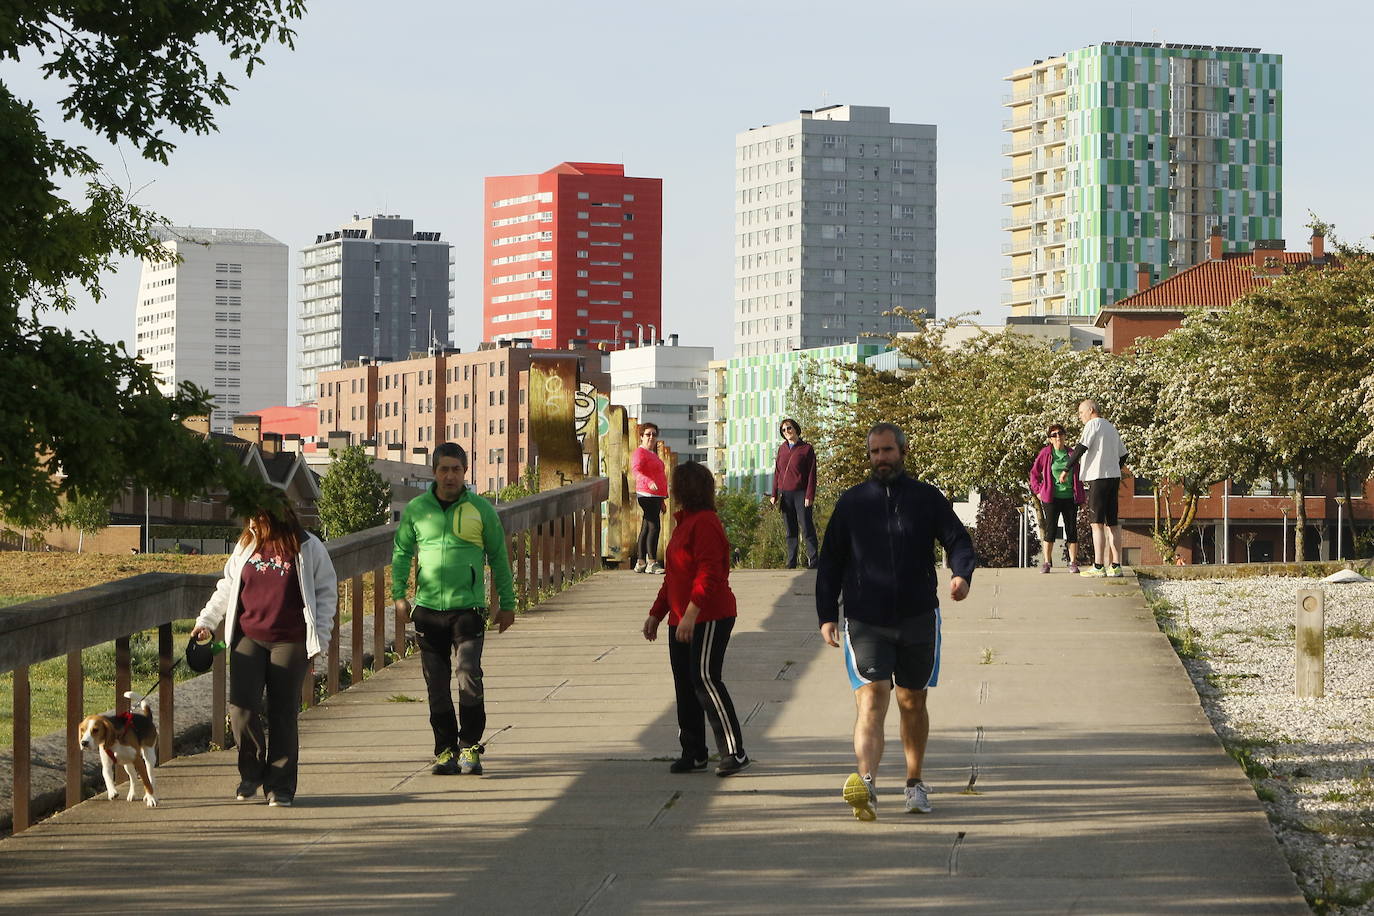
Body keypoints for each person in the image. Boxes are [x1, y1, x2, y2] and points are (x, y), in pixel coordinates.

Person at [816, 423, 975, 820]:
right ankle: (866, 784)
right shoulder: (852, 503)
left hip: (917, 615)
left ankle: (914, 782)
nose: (881, 459)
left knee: (912, 699)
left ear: (903, 452)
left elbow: (957, 539)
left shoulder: (926, 498)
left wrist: (961, 574)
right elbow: (830, 561)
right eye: (875, 453)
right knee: (871, 697)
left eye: (888, 451)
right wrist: (825, 614)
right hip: (865, 618)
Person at [192, 504, 336, 808]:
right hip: (248, 638)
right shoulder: (247, 544)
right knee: (241, 708)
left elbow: (325, 592)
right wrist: (206, 622)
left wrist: (320, 639)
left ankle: (280, 786)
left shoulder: (307, 546)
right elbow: (228, 587)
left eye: (258, 516)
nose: (252, 522)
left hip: (291, 641)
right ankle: (252, 772)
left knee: (283, 714)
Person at [392, 442, 517, 776]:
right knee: (436, 684)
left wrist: (508, 604)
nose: (450, 476)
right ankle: (445, 750)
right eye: (444, 469)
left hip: (468, 610)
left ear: (465, 473)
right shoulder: (418, 509)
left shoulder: (481, 509)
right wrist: (399, 595)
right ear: (434, 472)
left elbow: (499, 557)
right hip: (428, 609)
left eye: (456, 470)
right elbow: (402, 552)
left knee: (468, 675)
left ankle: (470, 747)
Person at [641, 461, 750, 777]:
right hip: (681, 619)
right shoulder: (683, 524)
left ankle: (734, 751)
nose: (672, 491)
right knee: (685, 684)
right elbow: (673, 576)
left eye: (675, 485)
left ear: (685, 489)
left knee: (705, 679)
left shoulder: (705, 523)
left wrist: (691, 614)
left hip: (709, 616)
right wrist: (656, 615)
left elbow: (710, 573)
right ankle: (694, 751)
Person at [1061, 399, 1127, 578]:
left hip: (1098, 478)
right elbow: (1124, 454)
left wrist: (1066, 469)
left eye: (1081, 413)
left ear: (1091, 410)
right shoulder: (1111, 428)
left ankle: (1098, 566)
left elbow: (1081, 448)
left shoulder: (1093, 425)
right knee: (1112, 523)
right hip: (1113, 478)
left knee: (1096, 524)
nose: (1080, 417)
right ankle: (1116, 565)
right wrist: (1113, 466)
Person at [1029, 423, 1085, 574]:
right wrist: (1038, 491)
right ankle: (1047, 562)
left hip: (1069, 497)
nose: (1058, 437)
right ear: (1050, 439)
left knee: (1071, 529)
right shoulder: (1046, 453)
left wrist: (1081, 492)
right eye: (1054, 435)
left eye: (1060, 433)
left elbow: (1081, 473)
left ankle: (1073, 562)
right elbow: (1034, 473)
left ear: (1065, 436)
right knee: (1051, 530)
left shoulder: (1072, 453)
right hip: (1051, 498)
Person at [770, 418, 819, 569]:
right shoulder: (782, 449)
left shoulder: (806, 449)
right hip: (786, 494)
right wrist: (774, 494)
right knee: (790, 529)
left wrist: (809, 495)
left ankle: (814, 560)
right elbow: (777, 472)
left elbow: (812, 474)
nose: (787, 432)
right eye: (783, 430)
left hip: (801, 494)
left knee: (806, 527)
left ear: (796, 429)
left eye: (789, 428)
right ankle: (791, 561)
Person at [632, 422, 668, 574]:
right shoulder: (639, 453)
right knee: (655, 527)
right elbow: (636, 471)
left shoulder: (653, 454)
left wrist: (662, 499)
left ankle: (640, 561)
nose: (651, 437)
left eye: (654, 434)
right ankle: (652, 562)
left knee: (646, 527)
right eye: (648, 434)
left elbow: (660, 476)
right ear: (641, 436)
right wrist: (649, 481)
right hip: (646, 494)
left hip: (656, 496)